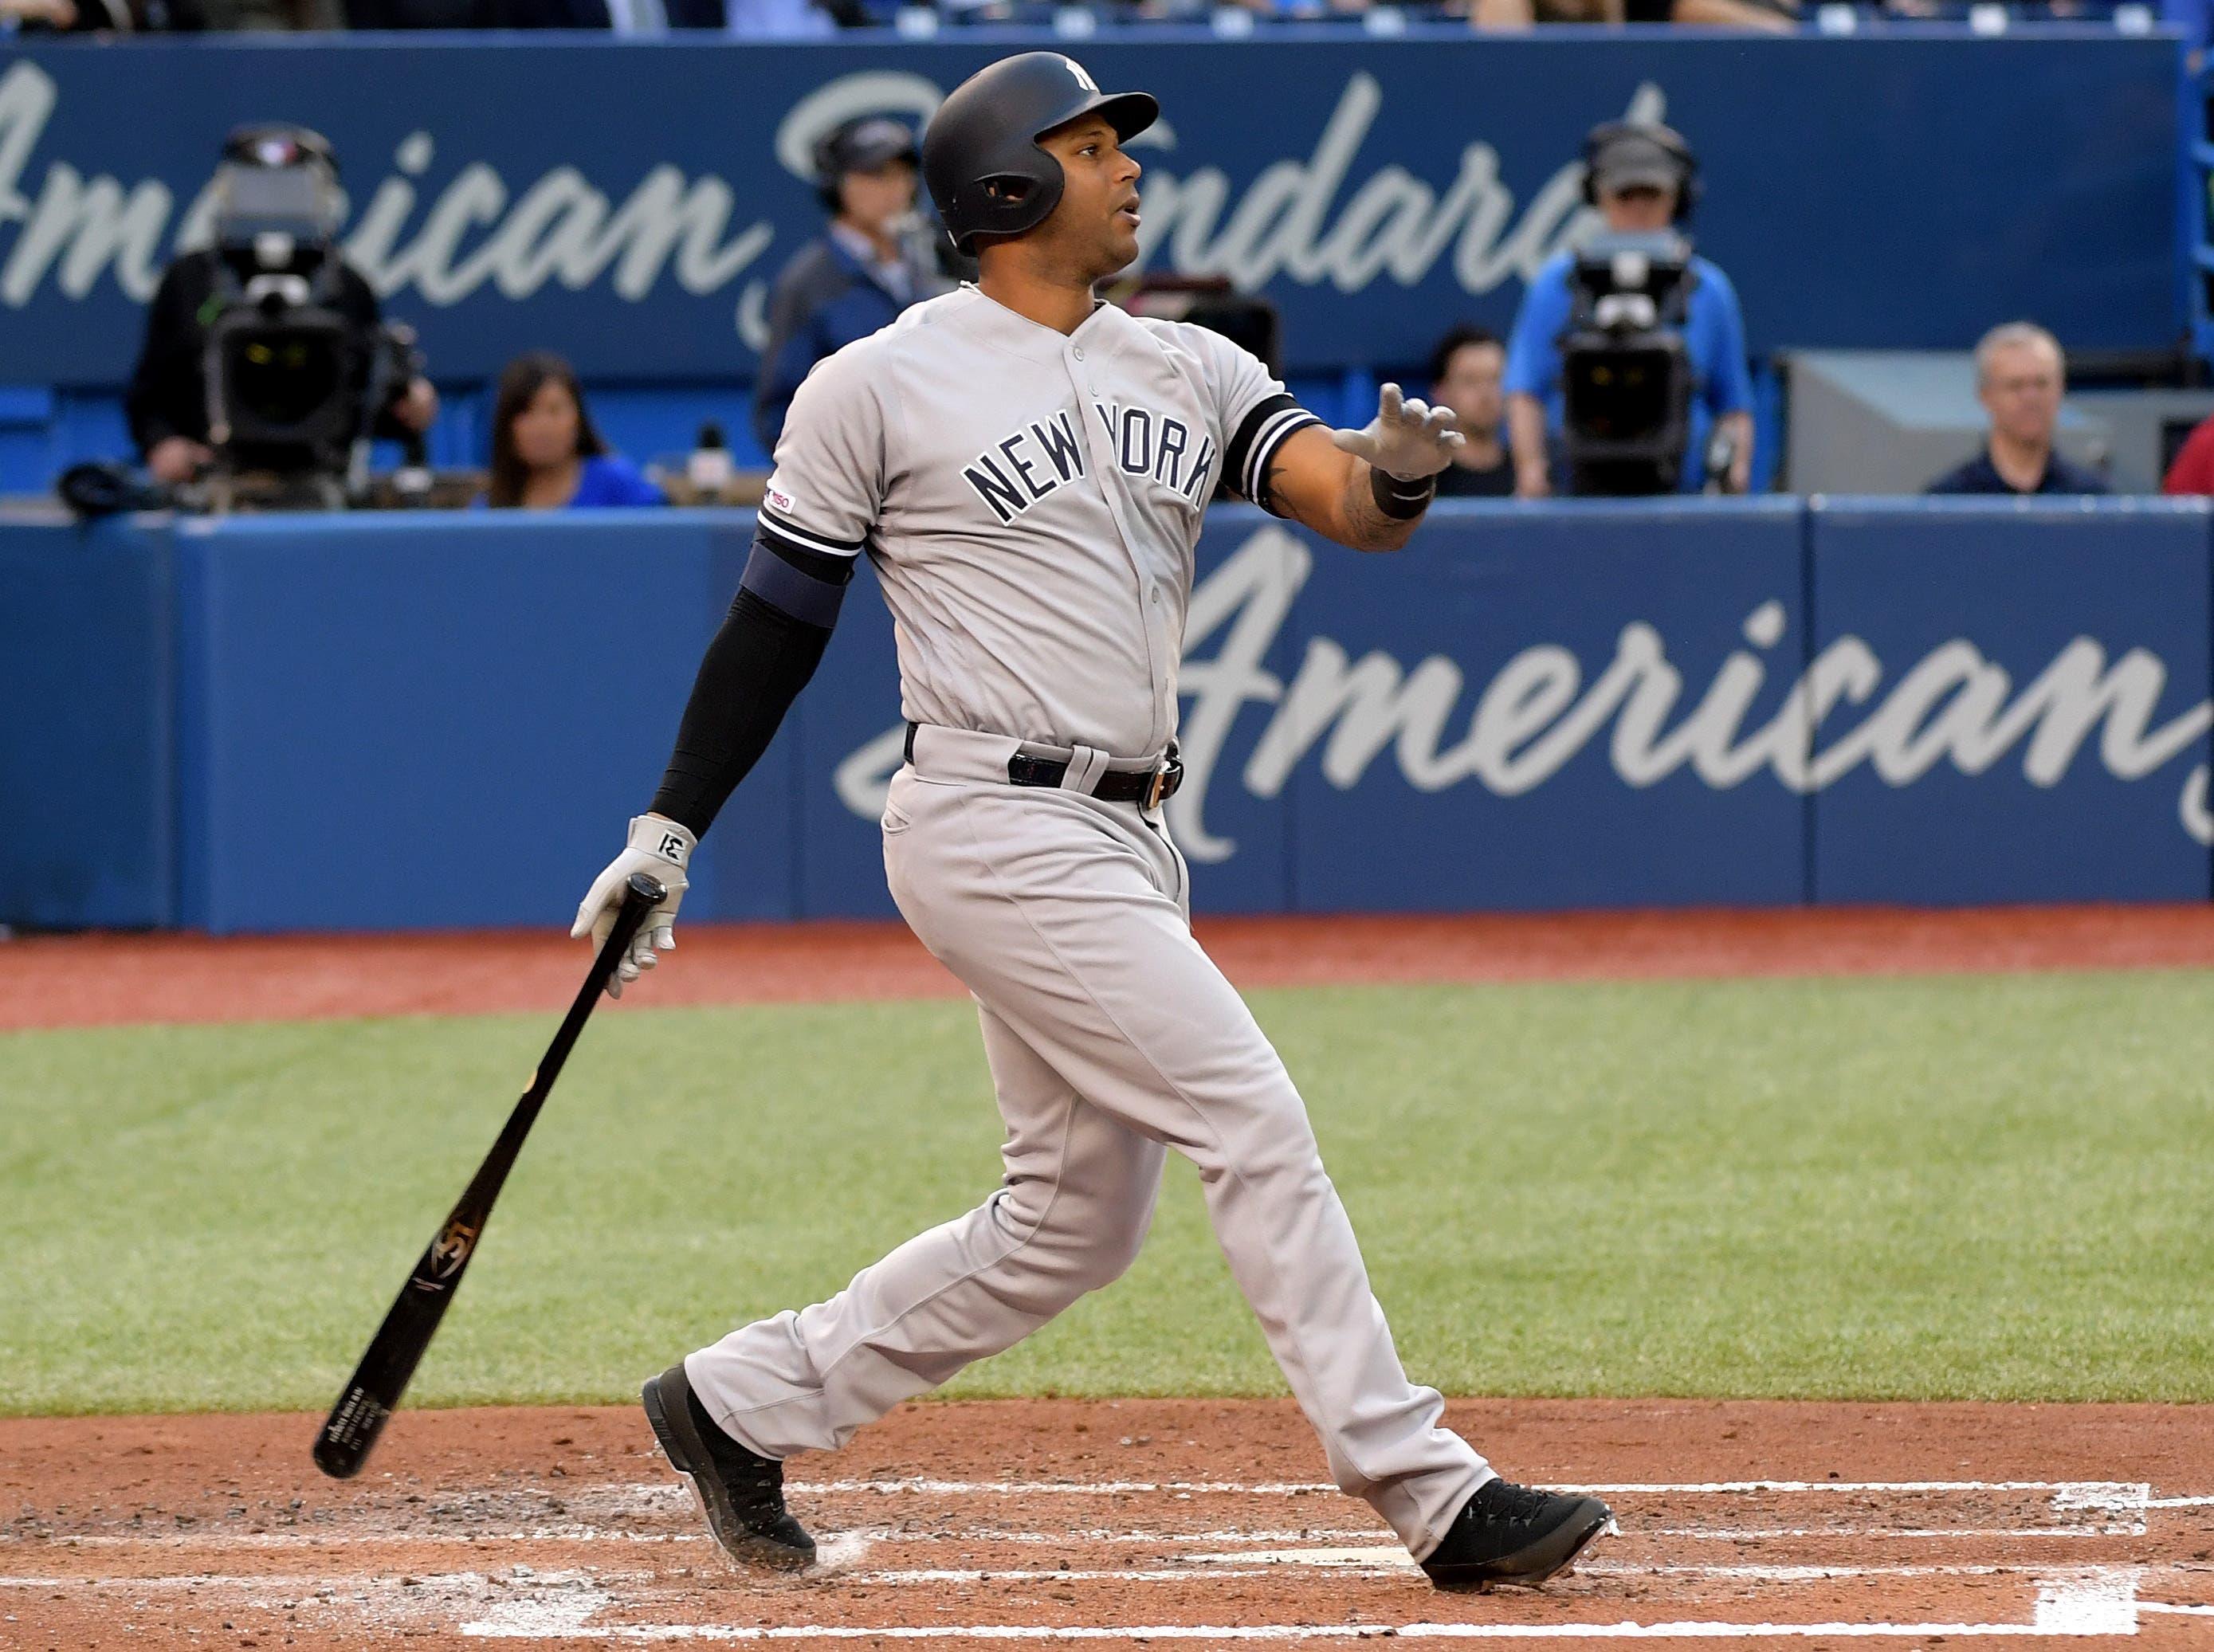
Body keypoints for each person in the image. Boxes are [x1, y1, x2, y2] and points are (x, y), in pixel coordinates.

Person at [572, 50, 1614, 1596]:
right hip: (990, 819)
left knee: (1069, 1223)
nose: (1125, 164)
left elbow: (1337, 498)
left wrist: (1399, 472)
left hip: (1128, 830)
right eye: (1086, 143)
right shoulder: (878, 379)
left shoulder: (1185, 366)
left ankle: (735, 1402)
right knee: (1248, 1114)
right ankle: (1422, 1482)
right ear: (1004, 185)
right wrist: (670, 830)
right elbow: (776, 622)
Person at [125, 126, 436, 487]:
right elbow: (147, 396)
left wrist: (409, 406)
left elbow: (369, 402)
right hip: (213, 484)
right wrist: (164, 445)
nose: (272, 204)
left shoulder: (348, 288)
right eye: (255, 189)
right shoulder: (189, 282)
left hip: (324, 481)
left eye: (292, 190)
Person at [1502, 120, 1753, 498]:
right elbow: (1525, 391)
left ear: (1677, 197)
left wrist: (1732, 481)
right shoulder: (1558, 283)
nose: (1638, 207)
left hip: (1680, 499)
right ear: (1597, 196)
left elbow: (1733, 404)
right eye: (1624, 194)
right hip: (1575, 496)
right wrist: (1531, 474)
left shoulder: (1708, 288)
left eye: (1650, 194)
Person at [751, 118, 936, 454]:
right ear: (837, 186)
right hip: (857, 486)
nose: (895, 189)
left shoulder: (930, 267)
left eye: (901, 174)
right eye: (876, 175)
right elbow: (778, 414)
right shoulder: (807, 282)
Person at [1927, 323, 2109, 496]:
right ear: (1985, 396)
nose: (2030, 398)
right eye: (2015, 385)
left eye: (2041, 383)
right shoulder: (1950, 500)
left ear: (2061, 389)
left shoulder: (2091, 499)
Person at [481, 352, 664, 509]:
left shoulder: (619, 484)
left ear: (578, 418)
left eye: (554, 410)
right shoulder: (489, 506)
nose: (542, 426)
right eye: (526, 412)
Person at [1426, 324, 1515, 497]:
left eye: (1496, 379)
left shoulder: (1530, 475)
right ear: (1440, 393)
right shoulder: (1423, 482)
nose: (1485, 394)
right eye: (1470, 381)